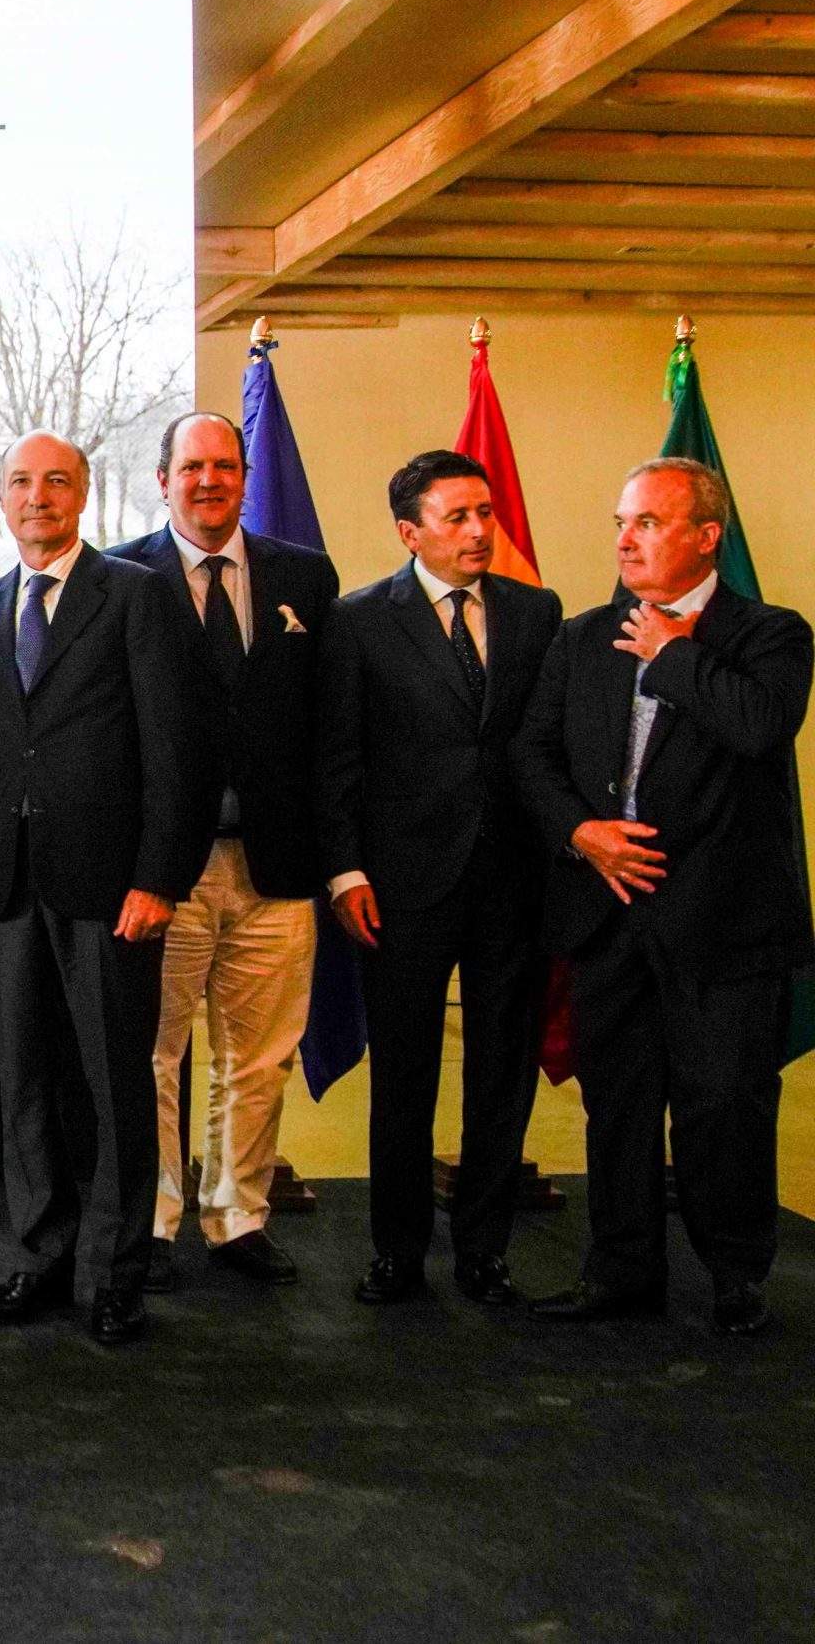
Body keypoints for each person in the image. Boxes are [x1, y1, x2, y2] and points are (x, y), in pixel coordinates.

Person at [513, 457, 812, 1336]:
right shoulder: (582, 636)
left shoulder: (770, 633)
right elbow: (532, 756)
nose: (625, 539)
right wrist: (582, 833)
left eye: (647, 522)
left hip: (724, 919)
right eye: (621, 521)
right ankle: (621, 1270)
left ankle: (734, 1276)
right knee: (619, 1104)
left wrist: (674, 653)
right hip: (608, 912)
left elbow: (759, 725)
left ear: (707, 536)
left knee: (725, 1104)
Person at [0, 432, 211, 1347]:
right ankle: (42, 1258)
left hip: (110, 888)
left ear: (83, 494)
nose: (37, 496)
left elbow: (178, 751)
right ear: (1, 497)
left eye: (55, 481)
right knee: (23, 1086)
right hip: (4, 885)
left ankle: (118, 1273)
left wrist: (159, 876)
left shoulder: (136, 594)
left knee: (115, 1086)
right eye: (20, 482)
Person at [318, 450, 561, 1307]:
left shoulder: (536, 612)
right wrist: (345, 871)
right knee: (405, 1077)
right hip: (401, 884)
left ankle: (485, 1251)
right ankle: (398, 1251)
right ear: (409, 531)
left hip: (513, 883)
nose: (479, 530)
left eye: (484, 512)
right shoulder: (357, 620)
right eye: (456, 516)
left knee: (502, 1074)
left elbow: (544, 744)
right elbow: (336, 758)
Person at [108, 412, 338, 1293]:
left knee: (260, 1056)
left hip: (275, 862)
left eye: (225, 466)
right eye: (192, 466)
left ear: (245, 476)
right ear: (162, 479)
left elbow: (325, 722)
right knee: (155, 1055)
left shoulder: (305, 576)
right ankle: (156, 1220)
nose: (209, 480)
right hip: (165, 869)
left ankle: (238, 1217)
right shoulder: (122, 577)